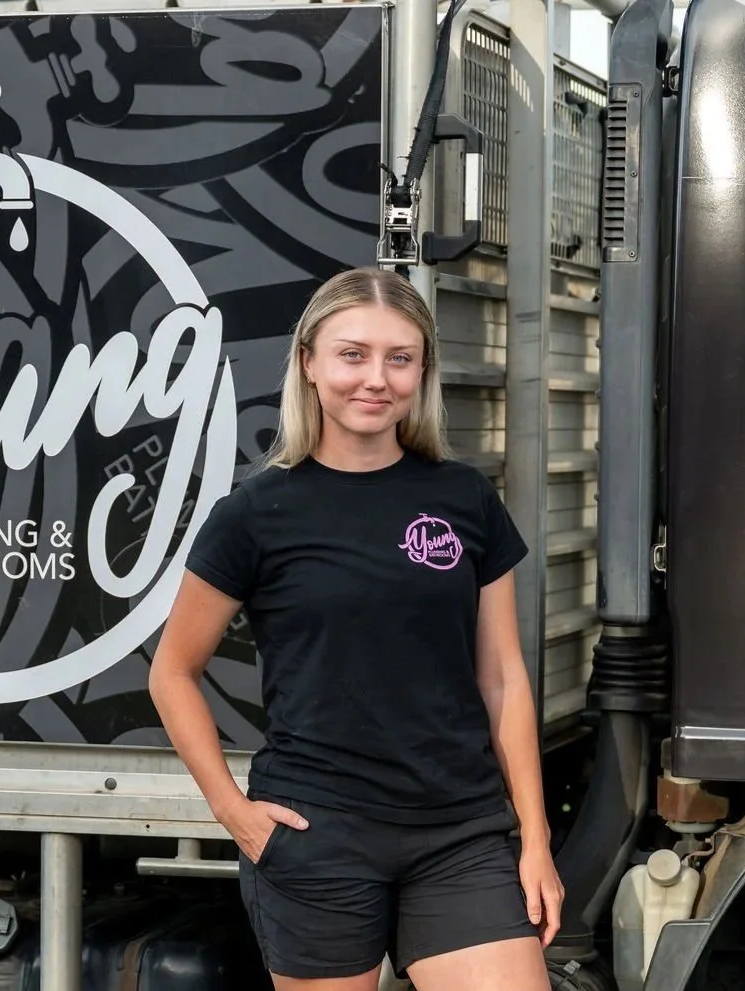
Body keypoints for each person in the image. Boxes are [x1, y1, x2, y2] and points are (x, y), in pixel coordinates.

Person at [148, 266, 561, 991]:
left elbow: (501, 677)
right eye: (352, 354)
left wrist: (534, 836)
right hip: (317, 836)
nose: (376, 378)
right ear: (308, 363)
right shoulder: (256, 513)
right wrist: (235, 814)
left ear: (421, 371)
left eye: (399, 358)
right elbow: (173, 671)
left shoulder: (463, 498)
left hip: (459, 832)